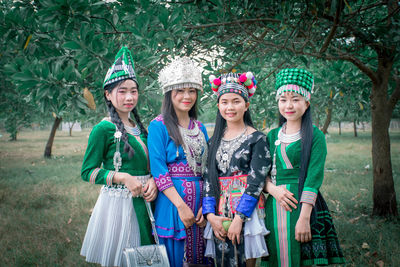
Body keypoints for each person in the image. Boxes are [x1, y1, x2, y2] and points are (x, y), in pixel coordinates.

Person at [80, 47, 157, 267]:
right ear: (108, 94)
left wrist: (153, 180)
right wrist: (122, 177)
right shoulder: (102, 129)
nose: (129, 97)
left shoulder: (141, 128)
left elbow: (149, 166)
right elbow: (88, 172)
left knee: (146, 258)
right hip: (119, 205)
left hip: (147, 200)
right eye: (122, 91)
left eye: (133, 91)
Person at [260, 68, 345, 266]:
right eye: (283, 99)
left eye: (295, 99)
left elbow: (313, 178)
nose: (288, 105)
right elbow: (261, 174)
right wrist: (273, 190)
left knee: (301, 257)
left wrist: (305, 217)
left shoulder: (316, 136)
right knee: (276, 255)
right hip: (275, 204)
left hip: (304, 205)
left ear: (307, 103)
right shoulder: (272, 136)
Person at [202, 72, 270, 267]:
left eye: (236, 101)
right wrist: (210, 216)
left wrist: (240, 218)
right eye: (224, 102)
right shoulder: (214, 140)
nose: (230, 107)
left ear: (246, 105)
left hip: (246, 212)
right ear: (218, 105)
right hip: (218, 211)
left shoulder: (257, 139)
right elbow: (209, 178)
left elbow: (256, 183)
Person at [147, 57, 210, 267]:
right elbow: (159, 170)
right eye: (180, 91)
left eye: (192, 91)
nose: (187, 96)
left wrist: (206, 206)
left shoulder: (200, 127)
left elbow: (208, 169)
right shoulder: (158, 126)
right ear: (169, 94)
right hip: (173, 207)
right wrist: (181, 206)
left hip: (201, 208)